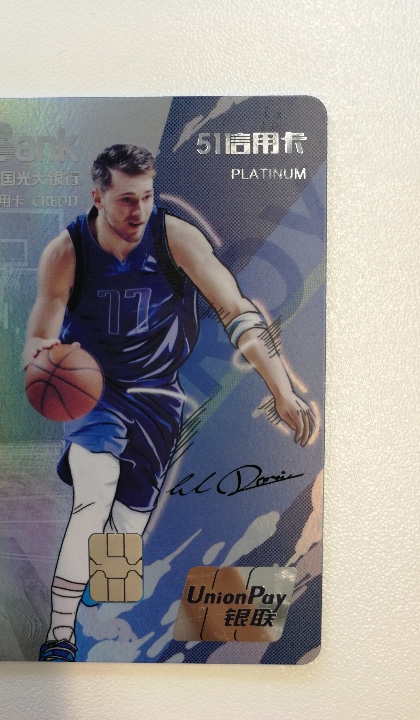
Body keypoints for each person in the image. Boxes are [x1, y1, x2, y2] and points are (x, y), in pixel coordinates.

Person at [23, 144, 315, 662]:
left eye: (147, 197)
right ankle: (61, 633)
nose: (139, 210)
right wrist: (44, 366)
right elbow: (41, 338)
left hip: (158, 398)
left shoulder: (176, 238)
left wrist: (282, 388)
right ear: (98, 197)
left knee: (127, 526)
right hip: (96, 394)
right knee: (93, 498)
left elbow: (236, 310)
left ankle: (100, 592)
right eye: (126, 199)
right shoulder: (66, 252)